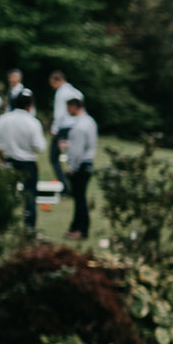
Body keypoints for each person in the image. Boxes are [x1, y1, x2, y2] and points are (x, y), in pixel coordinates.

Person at [0, 93, 46, 233]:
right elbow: (40, 146)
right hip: (28, 162)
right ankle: (29, 226)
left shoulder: (3, 119)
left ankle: (2, 225)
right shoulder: (33, 122)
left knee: (6, 194)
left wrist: (2, 155)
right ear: (29, 106)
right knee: (30, 195)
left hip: (9, 160)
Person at [62, 95, 99, 239]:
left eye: (68, 108)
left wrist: (72, 167)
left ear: (73, 107)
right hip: (88, 163)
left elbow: (77, 151)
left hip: (80, 166)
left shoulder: (79, 127)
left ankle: (81, 229)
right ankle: (76, 226)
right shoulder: (90, 121)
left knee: (79, 199)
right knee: (80, 198)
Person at [43, 70, 82, 175]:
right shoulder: (77, 92)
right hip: (77, 127)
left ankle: (65, 182)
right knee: (72, 156)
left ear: (57, 81)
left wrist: (54, 129)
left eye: (52, 84)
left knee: (53, 157)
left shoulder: (61, 93)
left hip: (64, 128)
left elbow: (59, 113)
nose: (53, 87)